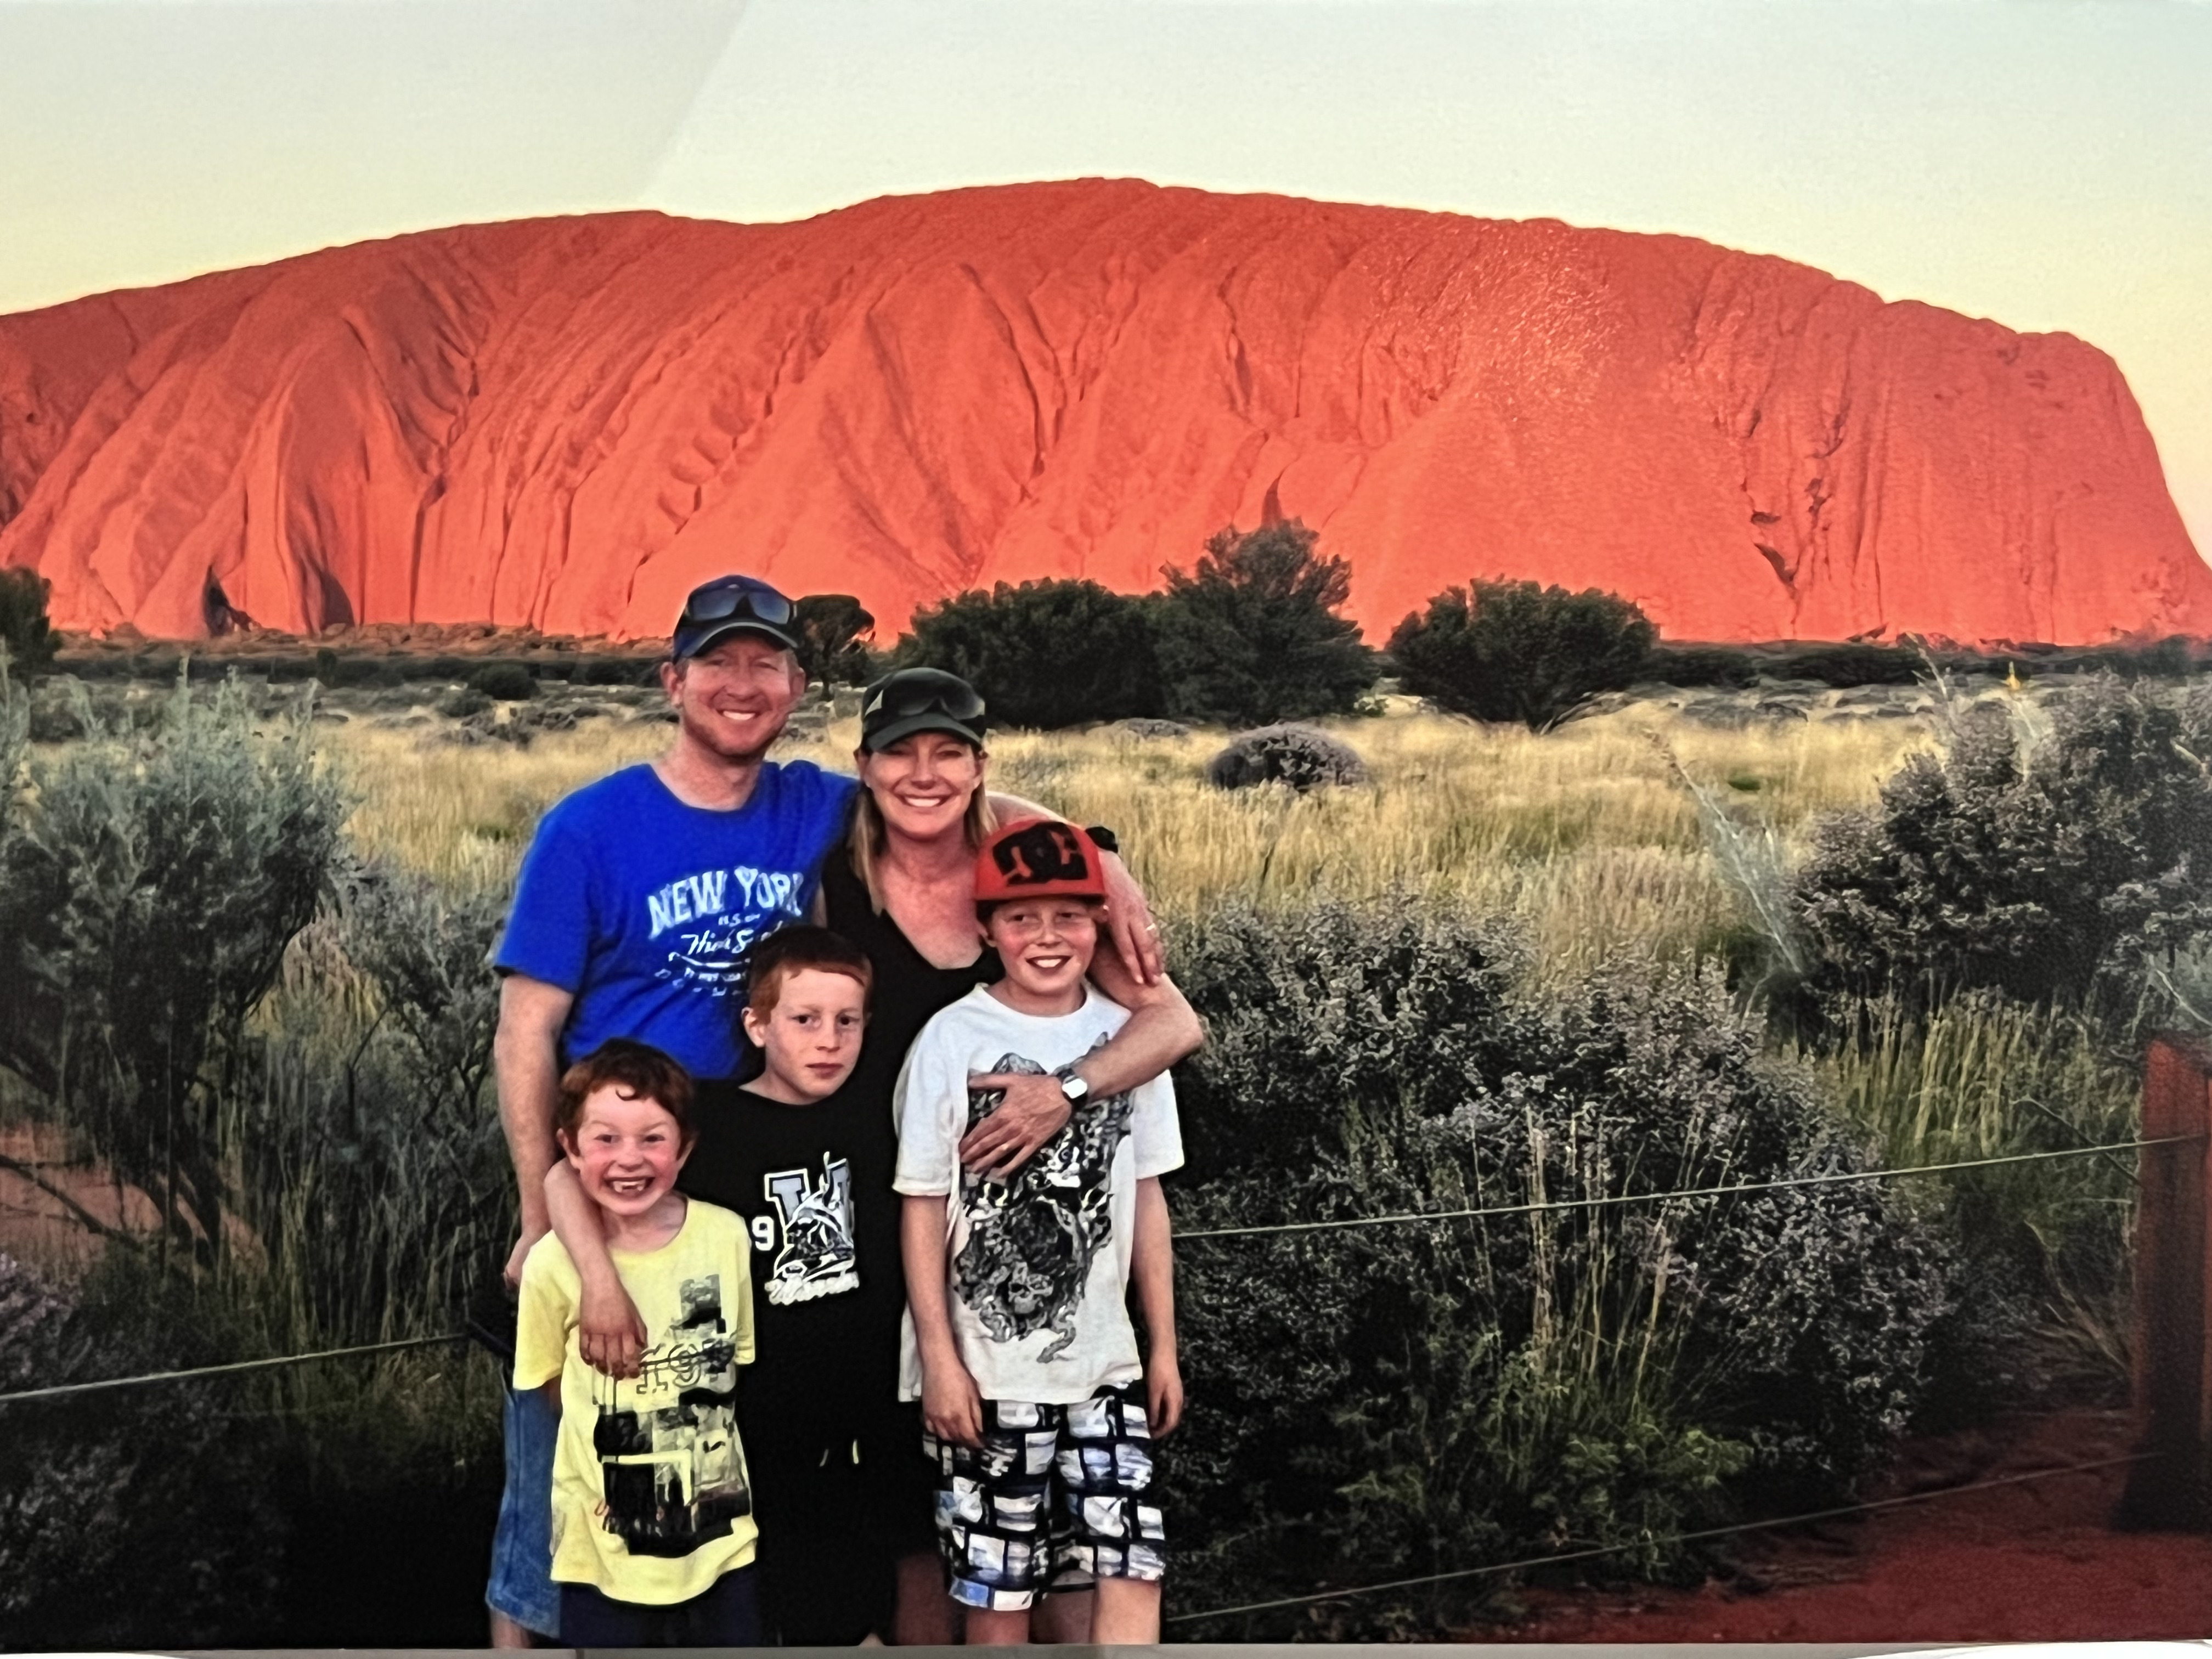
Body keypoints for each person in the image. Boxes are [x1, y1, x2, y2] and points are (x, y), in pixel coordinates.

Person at [557, 664, 1203, 1644]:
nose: (924, 773)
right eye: (900, 751)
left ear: (980, 765)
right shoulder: (835, 872)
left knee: (1016, 1527)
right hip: (864, 1216)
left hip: (1006, 1254)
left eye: (950, 752)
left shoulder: (1021, 885)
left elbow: (1168, 1024)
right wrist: (560, 1235)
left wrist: (1063, 1072)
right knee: (905, 1502)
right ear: (864, 767)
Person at [487, 573, 849, 1645]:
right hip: (610, 1177)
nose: (743, 685)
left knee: (698, 1486)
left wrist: (1104, 860)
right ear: (673, 680)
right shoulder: (588, 830)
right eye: (719, 663)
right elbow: (525, 1035)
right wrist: (541, 1218)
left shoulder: (809, 803)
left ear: (797, 684)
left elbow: (955, 798)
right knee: (555, 1489)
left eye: (767, 664)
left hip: (732, 1202)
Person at [896, 818, 1184, 1646]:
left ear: (1100, 923)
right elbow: (919, 1203)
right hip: (988, 1376)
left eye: (1069, 915)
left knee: (1131, 1564)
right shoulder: (953, 1039)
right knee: (1000, 1586)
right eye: (1022, 917)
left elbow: (1148, 1192)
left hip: (1105, 1368)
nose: (1047, 937)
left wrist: (1159, 1347)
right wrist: (940, 1363)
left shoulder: (1129, 1039)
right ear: (986, 930)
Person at [676, 924, 915, 1645]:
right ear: (757, 1023)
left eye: (847, 1022)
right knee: (777, 1601)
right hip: (761, 1419)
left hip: (871, 1408)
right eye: (804, 1020)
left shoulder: (876, 1114)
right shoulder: (710, 1123)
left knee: (873, 1603)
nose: (829, 1041)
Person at [513, 1040, 761, 1646]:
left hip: (722, 1548)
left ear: (686, 1148)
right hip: (603, 1557)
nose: (630, 1159)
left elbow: (738, 1358)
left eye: (653, 1138)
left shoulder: (726, 1237)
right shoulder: (551, 1266)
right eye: (606, 1139)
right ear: (569, 1147)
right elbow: (549, 1386)